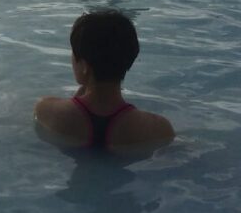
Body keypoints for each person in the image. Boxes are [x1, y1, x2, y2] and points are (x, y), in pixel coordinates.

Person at [33, 10, 174, 151]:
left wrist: (77, 98)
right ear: (130, 59)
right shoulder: (158, 129)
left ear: (84, 66)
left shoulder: (47, 111)